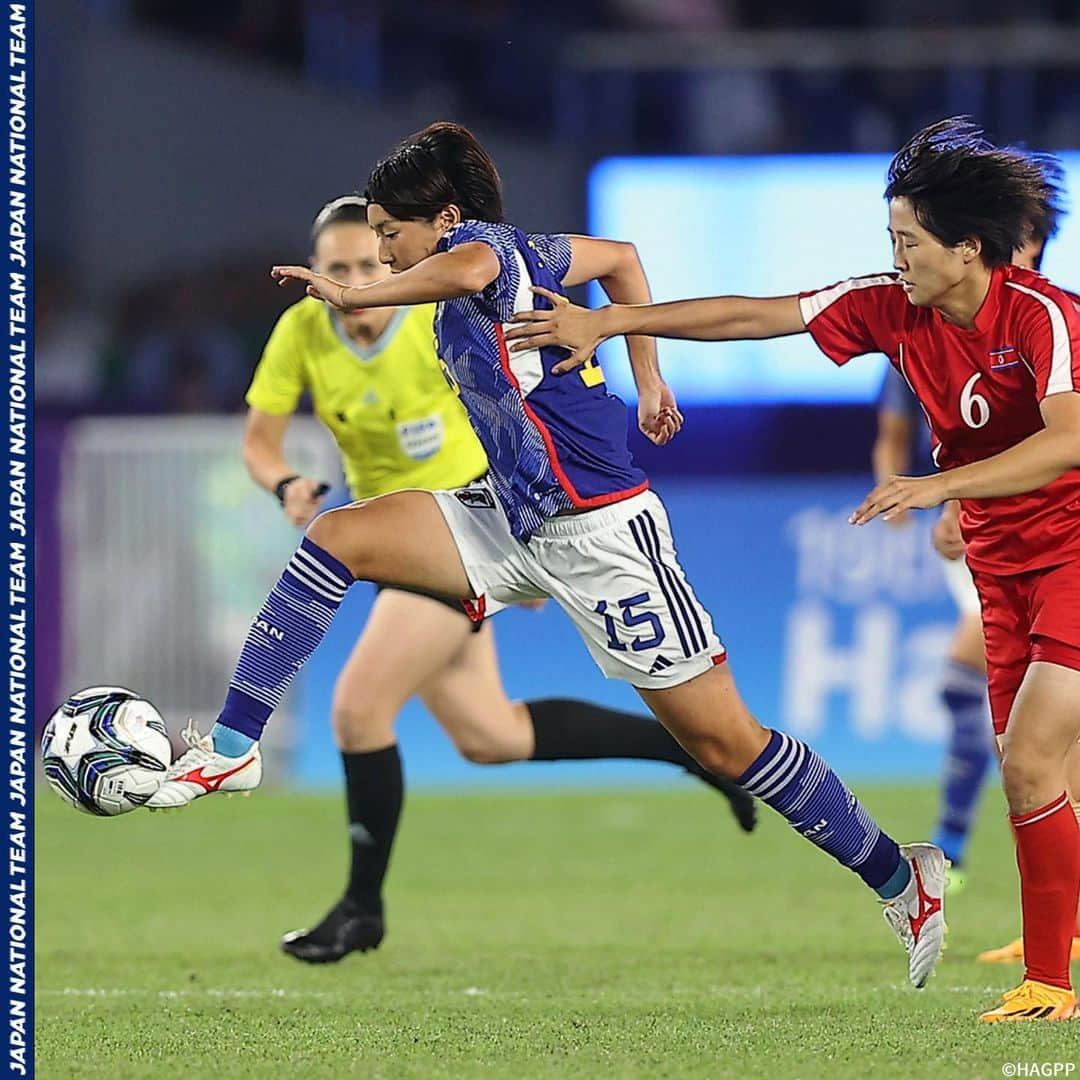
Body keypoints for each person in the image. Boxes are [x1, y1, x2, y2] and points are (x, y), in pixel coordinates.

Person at [148, 121, 947, 991]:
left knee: (728, 746)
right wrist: (649, 377)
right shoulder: (532, 251)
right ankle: (234, 745)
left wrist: (356, 299)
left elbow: (471, 266)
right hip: (509, 515)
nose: (380, 253)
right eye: (373, 240)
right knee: (336, 534)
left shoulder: (482, 251)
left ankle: (902, 877)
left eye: (389, 235)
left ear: (443, 218)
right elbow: (625, 257)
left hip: (603, 533)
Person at [505, 117, 1080, 1023]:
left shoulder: (1043, 315)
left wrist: (940, 486)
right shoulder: (895, 304)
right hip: (1002, 563)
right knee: (1031, 764)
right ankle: (1056, 960)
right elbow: (753, 313)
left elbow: (1069, 443)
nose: (894, 256)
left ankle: (1052, 983)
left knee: (1036, 758)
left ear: (968, 250)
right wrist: (615, 318)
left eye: (908, 241)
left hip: (1075, 552)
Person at [243, 195, 756, 963]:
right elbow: (260, 441)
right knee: (490, 735)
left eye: (371, 257)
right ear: (321, 273)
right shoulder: (304, 331)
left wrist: (535, 533)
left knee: (357, 710)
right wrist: (284, 481)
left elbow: (526, 394)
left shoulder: (432, 310)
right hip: (403, 545)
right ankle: (689, 749)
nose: (362, 274)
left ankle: (361, 908)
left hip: (462, 534)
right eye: (342, 267)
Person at [869, 216, 1063, 895]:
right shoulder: (928, 322)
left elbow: (1046, 439)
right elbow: (900, 428)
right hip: (981, 527)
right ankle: (1053, 919)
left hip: (1045, 536)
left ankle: (951, 847)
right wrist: (911, 488)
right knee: (1027, 728)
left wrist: (950, 494)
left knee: (1008, 712)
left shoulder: (1047, 323)